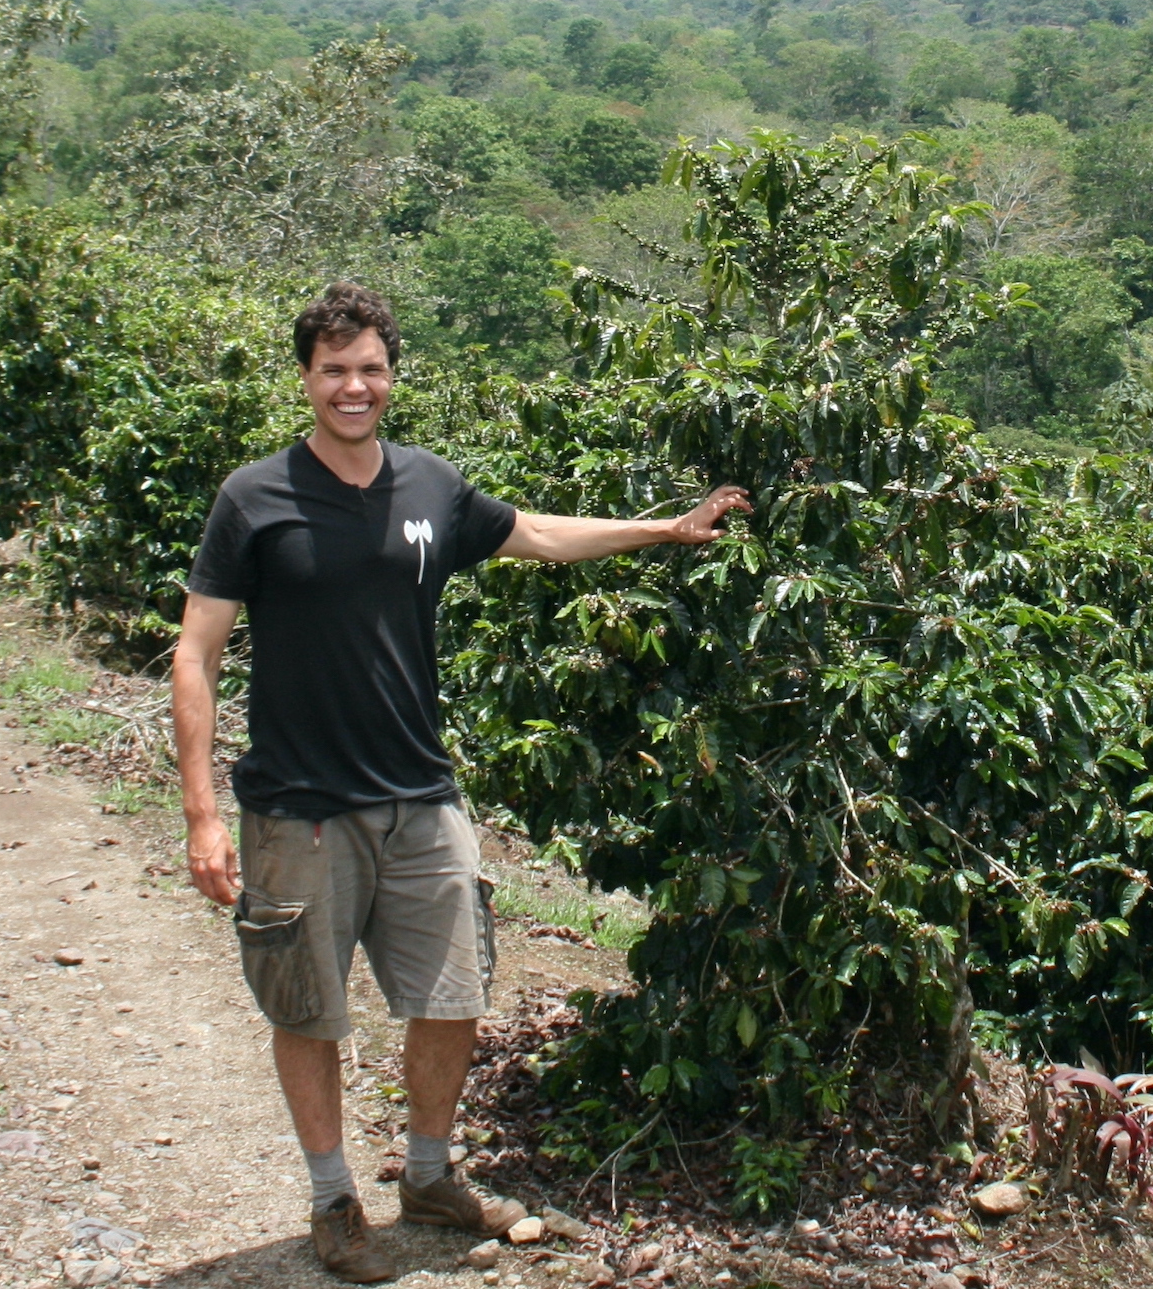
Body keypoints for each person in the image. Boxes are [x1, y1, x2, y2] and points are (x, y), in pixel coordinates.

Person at [172, 282, 750, 1284]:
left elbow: (534, 530)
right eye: (333, 369)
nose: (353, 386)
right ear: (306, 377)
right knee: (307, 1006)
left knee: (452, 990)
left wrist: (662, 530)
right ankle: (332, 1198)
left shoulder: (432, 484)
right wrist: (201, 812)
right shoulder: (253, 498)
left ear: (392, 374)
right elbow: (197, 652)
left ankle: (431, 1175)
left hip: (420, 794)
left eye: (370, 368)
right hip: (297, 808)